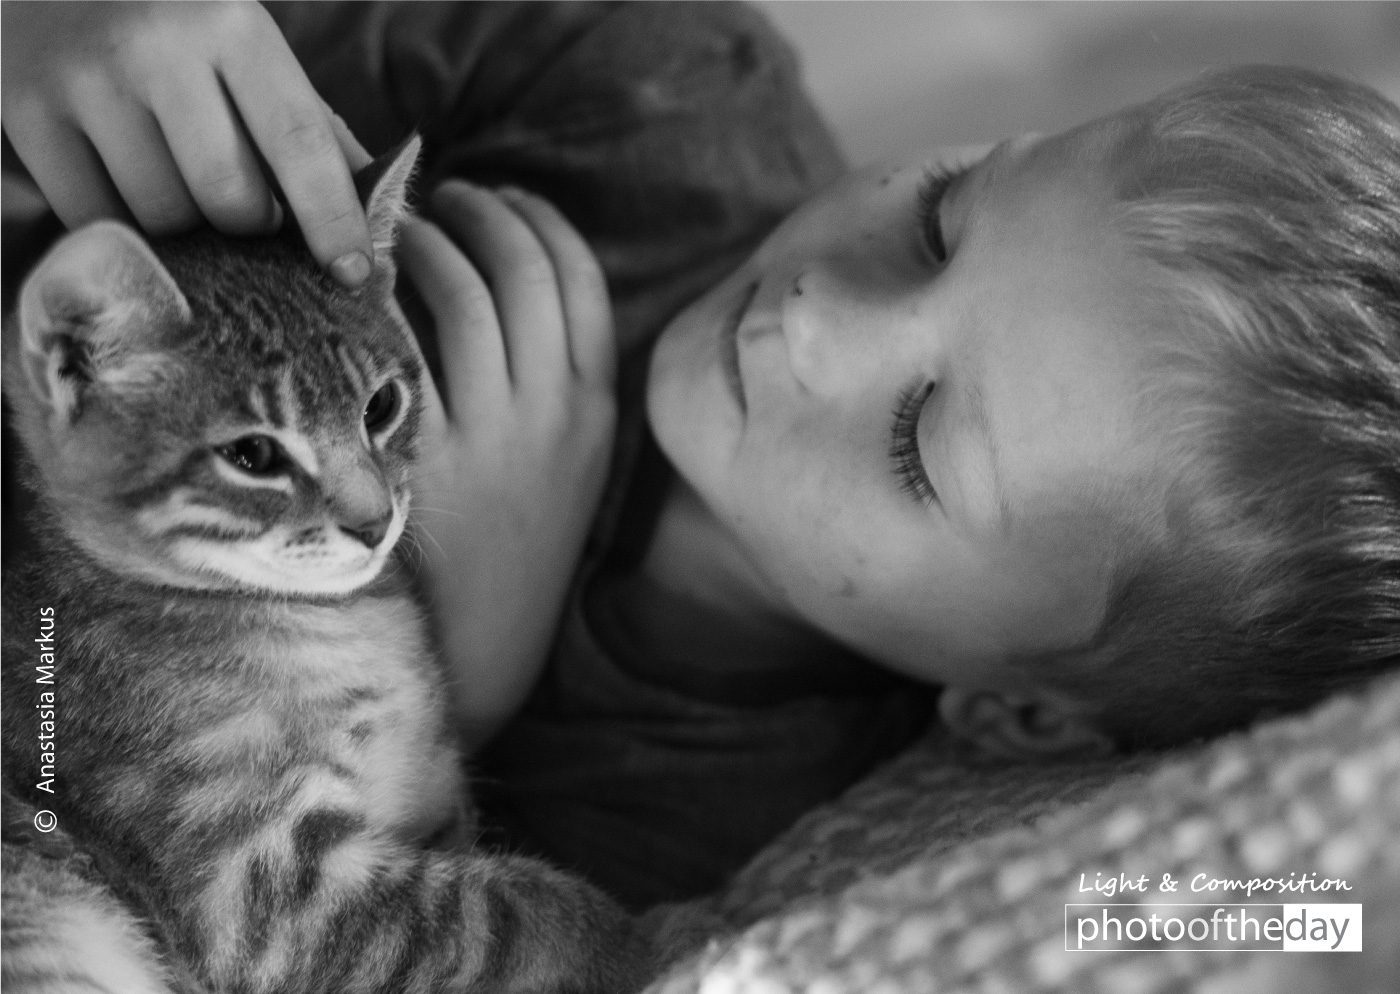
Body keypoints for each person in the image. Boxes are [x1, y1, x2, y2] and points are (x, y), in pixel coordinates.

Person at [5, 2, 1399, 914]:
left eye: (918, 439)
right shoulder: (649, 83)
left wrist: (448, 694)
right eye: (943, 214)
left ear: (1021, 719)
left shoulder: (701, 822)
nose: (814, 319)